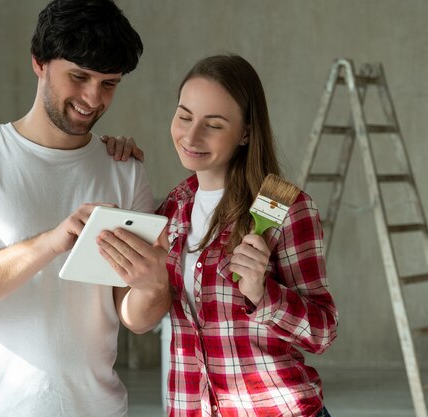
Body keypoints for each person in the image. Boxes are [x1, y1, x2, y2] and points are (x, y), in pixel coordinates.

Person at [0, 1, 170, 416]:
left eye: (109, 83)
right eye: (79, 76)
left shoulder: (123, 170)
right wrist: (50, 243)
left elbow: (135, 318)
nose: (93, 98)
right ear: (39, 62)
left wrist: (154, 285)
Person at [98, 54, 338, 416]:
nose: (191, 136)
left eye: (213, 125)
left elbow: (322, 332)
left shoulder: (279, 207)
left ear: (245, 132)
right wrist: (111, 155)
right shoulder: (174, 209)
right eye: (184, 116)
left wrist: (262, 293)